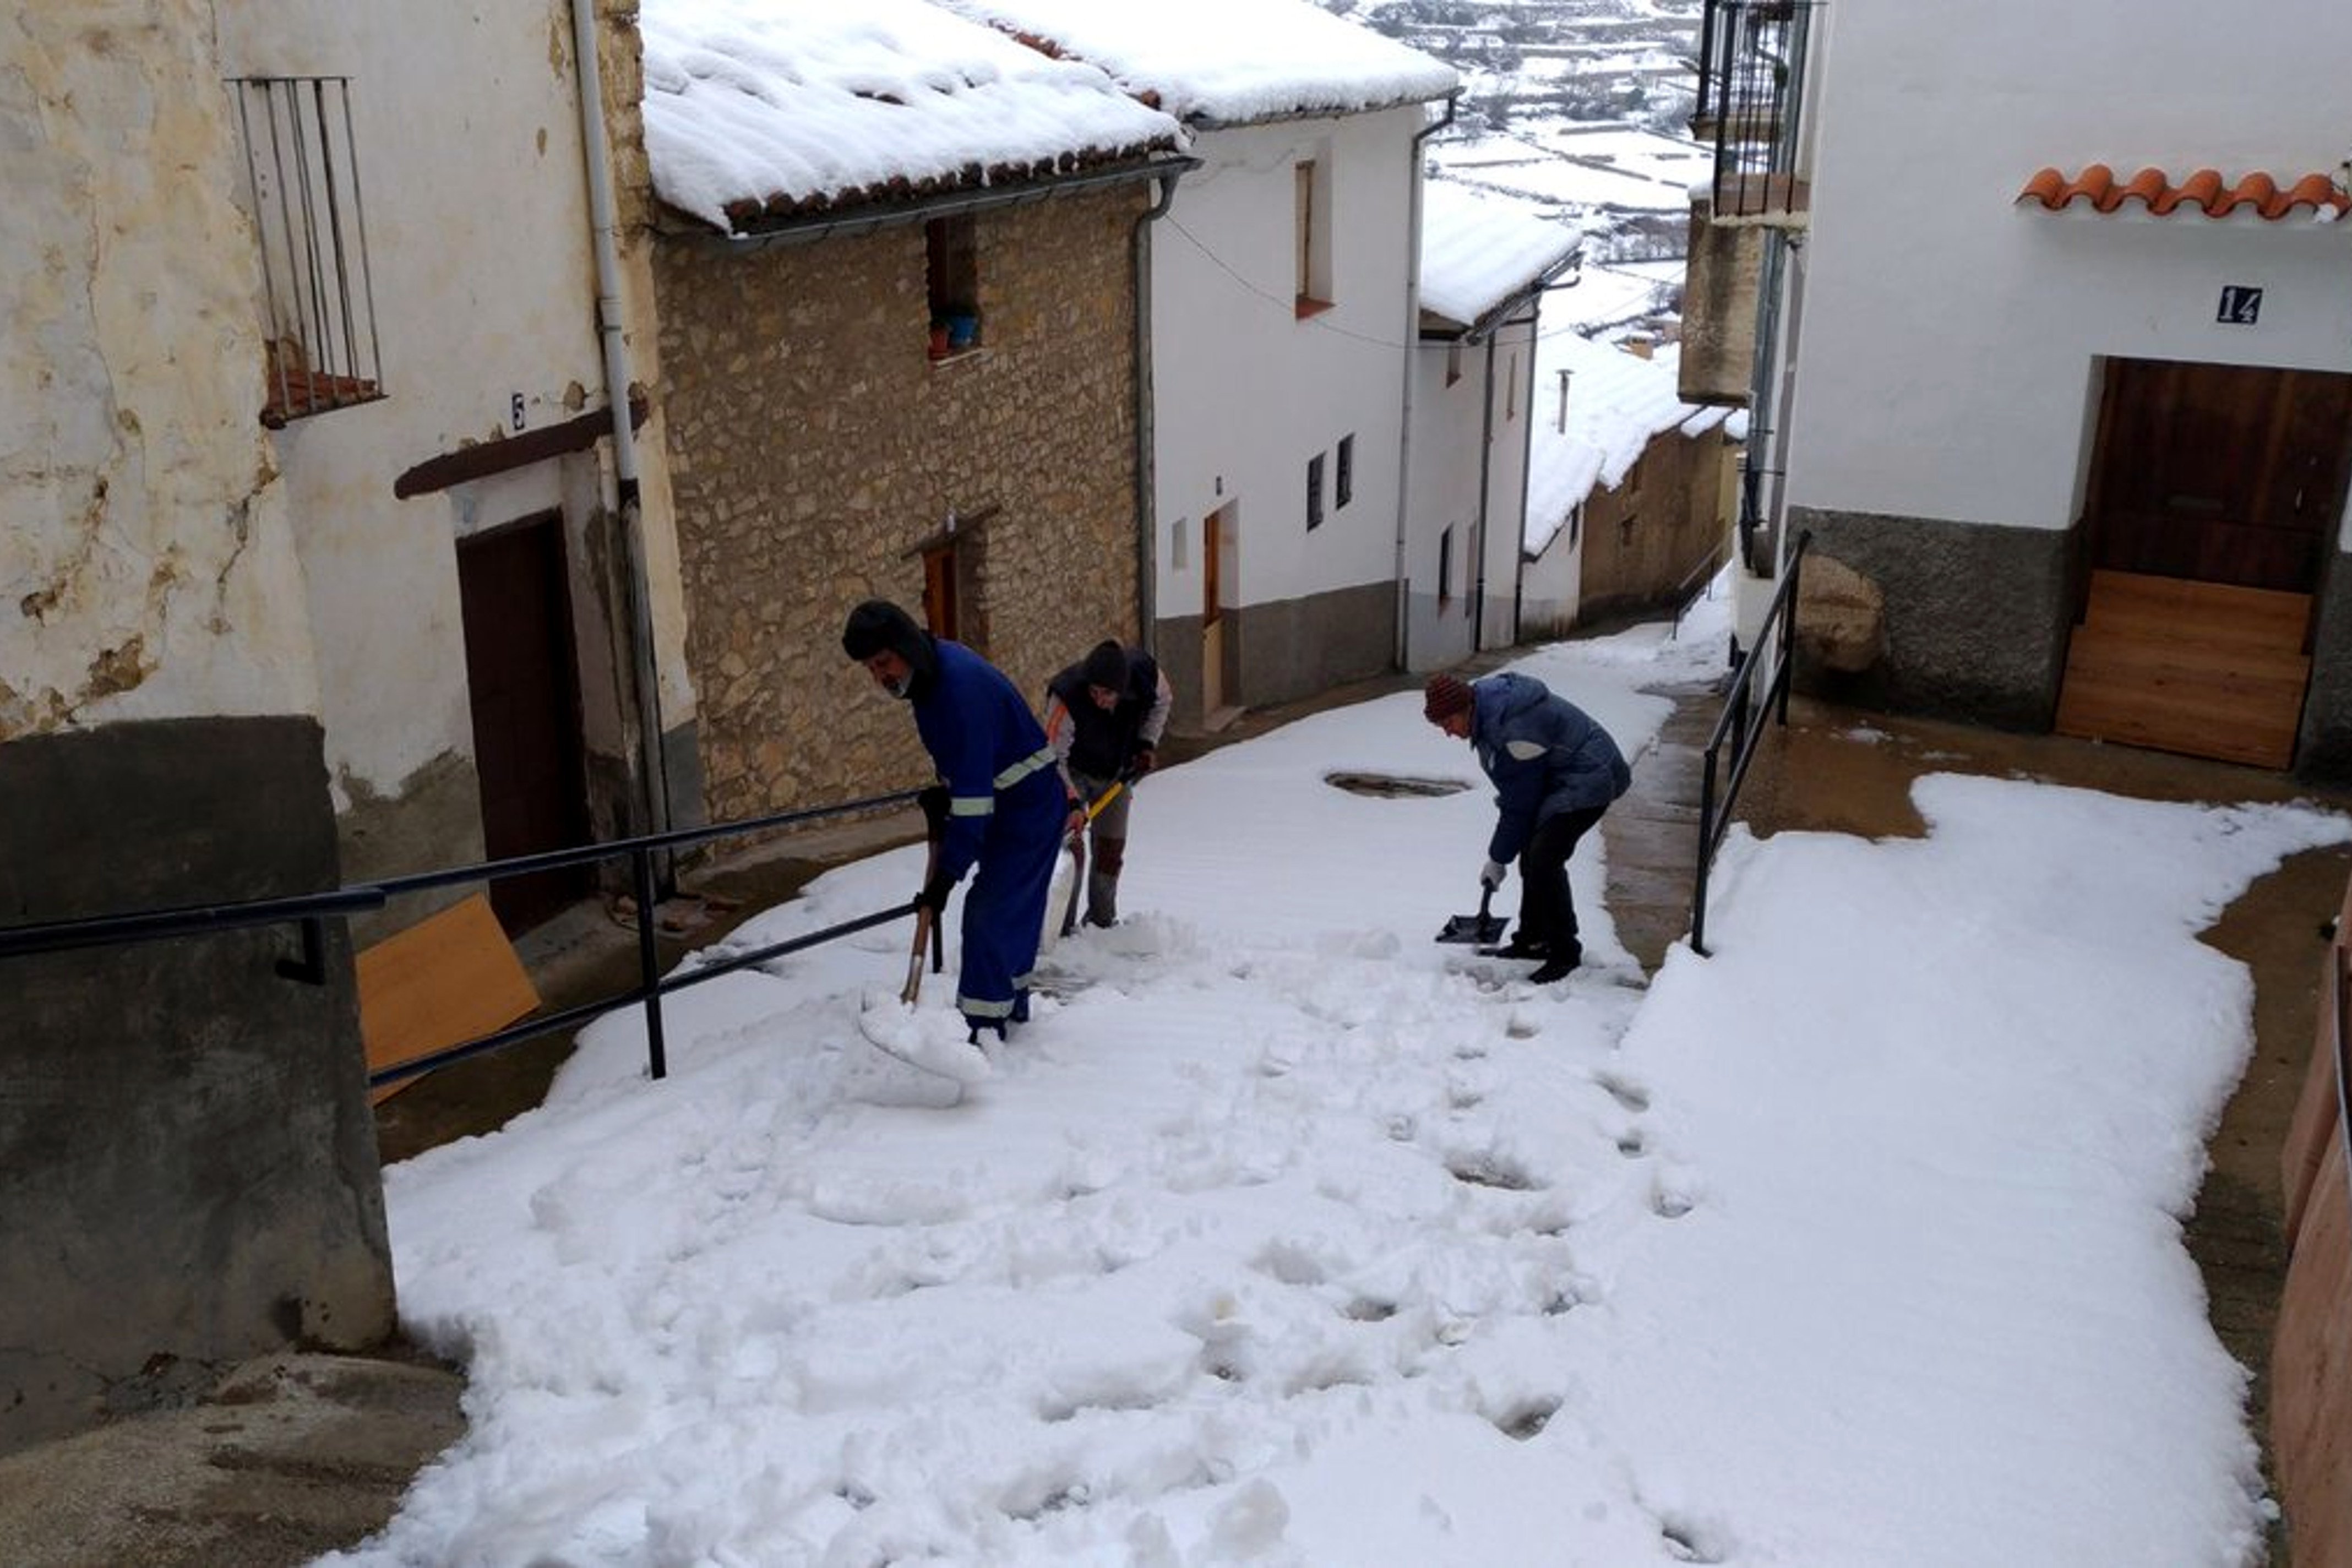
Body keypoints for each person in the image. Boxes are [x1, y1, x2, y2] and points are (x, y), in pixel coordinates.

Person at [842, 599, 1066, 1042]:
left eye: (883, 662)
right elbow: (971, 771)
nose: (879, 677)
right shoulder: (929, 681)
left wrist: (947, 875)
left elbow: (975, 798)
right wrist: (948, 791)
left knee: (989, 915)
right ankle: (1008, 1012)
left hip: (1029, 810)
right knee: (1010, 912)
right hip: (1011, 803)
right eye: (871, 668)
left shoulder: (958, 688)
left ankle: (981, 1032)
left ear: (905, 646)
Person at [1423, 670, 1630, 984]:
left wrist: (1497, 858)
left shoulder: (1514, 730)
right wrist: (1505, 853)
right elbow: (1519, 797)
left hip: (1591, 776)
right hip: (1561, 778)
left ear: (1466, 708)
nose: (1448, 733)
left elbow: (1521, 804)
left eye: (1448, 724)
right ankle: (1533, 939)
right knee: (1531, 851)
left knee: (1544, 858)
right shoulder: (1488, 714)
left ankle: (1564, 950)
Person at [1042, 639, 1174, 928]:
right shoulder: (1067, 695)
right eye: (1094, 692)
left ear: (1123, 689)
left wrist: (1146, 743)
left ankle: (1101, 922)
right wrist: (1072, 801)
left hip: (1116, 772)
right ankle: (1062, 929)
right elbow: (1052, 756)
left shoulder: (1145, 676)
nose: (1099, 700)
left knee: (1110, 849)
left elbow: (1163, 702)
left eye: (1108, 694)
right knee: (1071, 848)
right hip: (1072, 772)